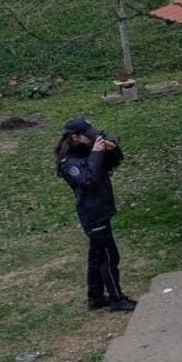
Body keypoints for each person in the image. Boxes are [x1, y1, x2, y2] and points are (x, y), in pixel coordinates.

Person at [54, 117, 136, 312]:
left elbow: (111, 164)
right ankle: (117, 299)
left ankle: (96, 297)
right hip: (93, 215)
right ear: (75, 137)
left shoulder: (87, 153)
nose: (92, 139)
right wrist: (97, 153)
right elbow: (88, 180)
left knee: (96, 256)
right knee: (109, 257)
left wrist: (110, 149)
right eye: (87, 135)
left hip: (102, 210)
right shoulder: (69, 163)